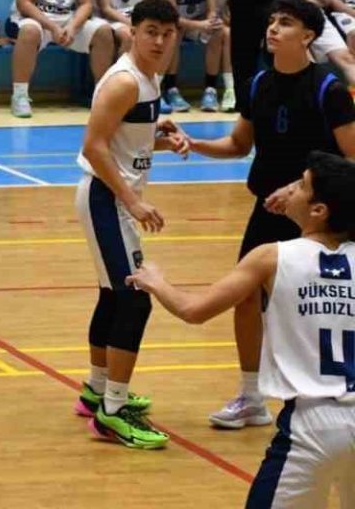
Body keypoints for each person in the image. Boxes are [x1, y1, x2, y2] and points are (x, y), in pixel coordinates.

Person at [128, 151, 355, 506]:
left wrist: (156, 282)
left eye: (300, 185)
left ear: (319, 210)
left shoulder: (271, 256)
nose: (290, 188)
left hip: (312, 425)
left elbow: (193, 311)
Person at [181, 0, 355, 429]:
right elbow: (239, 144)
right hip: (266, 210)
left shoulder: (329, 90)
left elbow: (350, 159)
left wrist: (297, 191)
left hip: (318, 218)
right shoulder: (259, 83)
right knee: (245, 297)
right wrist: (193, 143)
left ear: (309, 36)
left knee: (322, 304)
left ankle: (330, 388)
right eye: (272, 21)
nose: (274, 28)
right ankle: (251, 396)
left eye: (286, 22)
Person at [70, 0, 187, 449]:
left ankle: (98, 390)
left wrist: (163, 138)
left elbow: (126, 141)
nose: (159, 41)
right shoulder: (124, 82)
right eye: (151, 31)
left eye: (167, 34)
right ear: (133, 31)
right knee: (135, 300)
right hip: (105, 197)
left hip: (113, 197)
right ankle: (113, 413)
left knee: (113, 294)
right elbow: (95, 147)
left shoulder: (150, 79)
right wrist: (133, 201)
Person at [159, 0, 233, 113]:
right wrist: (201, 25)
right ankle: (170, 89)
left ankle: (210, 90)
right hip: (174, 23)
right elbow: (171, 16)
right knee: (175, 31)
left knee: (218, 31)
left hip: (196, 22)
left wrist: (211, 21)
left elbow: (211, 9)